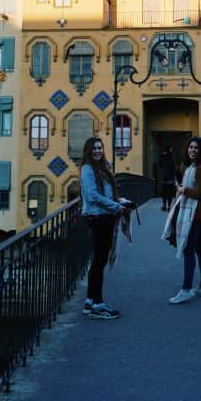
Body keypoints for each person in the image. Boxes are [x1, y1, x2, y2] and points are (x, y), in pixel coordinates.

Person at [80, 136, 130, 320]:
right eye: (94, 148)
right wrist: (116, 207)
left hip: (104, 217)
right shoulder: (87, 169)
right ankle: (98, 305)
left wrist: (119, 201)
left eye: (100, 148)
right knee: (99, 262)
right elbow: (92, 196)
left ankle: (90, 302)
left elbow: (105, 193)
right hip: (98, 218)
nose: (98, 151)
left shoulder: (101, 168)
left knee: (98, 261)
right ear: (88, 150)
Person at [166, 137, 201, 304]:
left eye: (196, 148)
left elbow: (200, 194)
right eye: (190, 147)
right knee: (200, 250)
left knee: (188, 251)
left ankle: (186, 289)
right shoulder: (191, 168)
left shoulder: (200, 169)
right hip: (198, 214)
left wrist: (184, 189)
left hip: (194, 215)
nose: (192, 150)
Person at [159, 145, 177, 211]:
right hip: (170, 178)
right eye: (171, 149)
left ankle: (164, 206)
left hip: (164, 178)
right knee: (170, 194)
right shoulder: (171, 157)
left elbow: (160, 165)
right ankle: (169, 206)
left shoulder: (162, 157)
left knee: (164, 193)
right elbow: (174, 167)